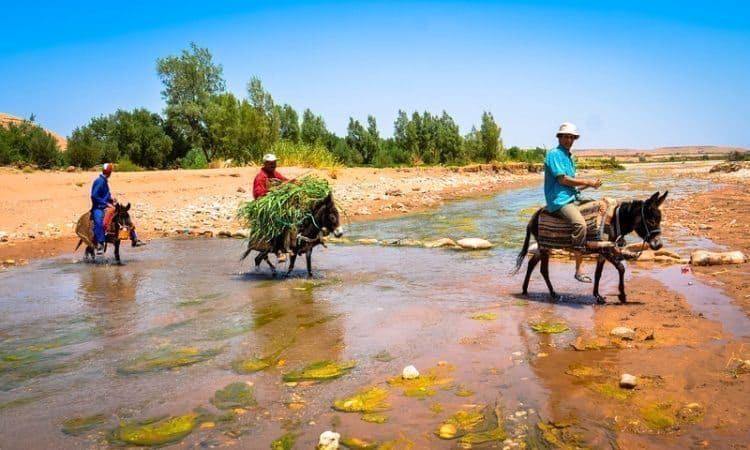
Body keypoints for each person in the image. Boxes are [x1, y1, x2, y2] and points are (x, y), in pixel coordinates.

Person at [543, 122, 602, 283]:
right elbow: (562, 180)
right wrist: (587, 181)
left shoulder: (569, 158)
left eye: (571, 137)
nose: (569, 140)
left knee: (601, 206)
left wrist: (591, 184)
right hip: (559, 200)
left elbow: (574, 186)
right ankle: (578, 268)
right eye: (566, 137)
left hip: (572, 197)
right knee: (580, 224)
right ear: (559, 137)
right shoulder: (554, 154)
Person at [90, 163, 145, 254]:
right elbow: (94, 195)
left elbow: (105, 194)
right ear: (109, 172)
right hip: (98, 207)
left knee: (124, 215)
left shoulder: (104, 181)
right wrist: (106, 204)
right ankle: (100, 244)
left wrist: (111, 199)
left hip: (107, 204)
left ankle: (134, 238)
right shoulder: (99, 181)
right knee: (99, 222)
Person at [252, 154, 295, 261]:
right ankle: (278, 250)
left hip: (277, 202)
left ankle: (293, 243)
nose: (273, 165)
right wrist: (274, 189)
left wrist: (292, 182)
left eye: (274, 163)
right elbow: (258, 194)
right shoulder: (260, 177)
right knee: (277, 220)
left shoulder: (275, 173)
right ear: (265, 164)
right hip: (265, 205)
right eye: (271, 163)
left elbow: (284, 180)